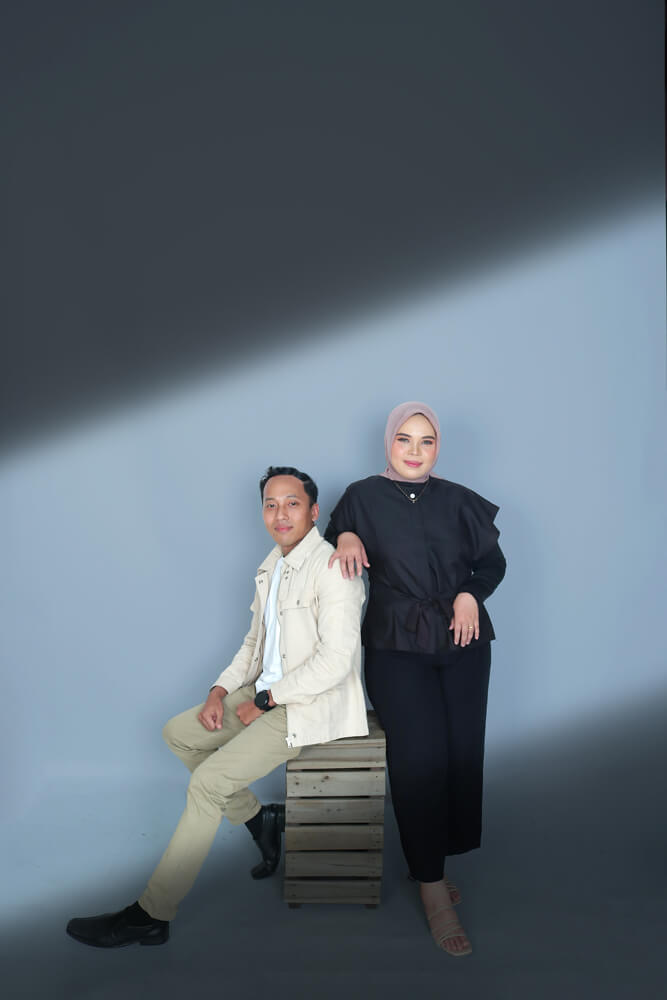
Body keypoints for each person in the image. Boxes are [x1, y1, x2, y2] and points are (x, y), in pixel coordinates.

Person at [67, 466, 367, 948]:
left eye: (292, 503)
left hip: (306, 705)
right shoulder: (272, 566)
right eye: (270, 504)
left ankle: (151, 913)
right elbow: (253, 646)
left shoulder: (332, 568)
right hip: (265, 693)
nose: (280, 513)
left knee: (207, 784)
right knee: (178, 733)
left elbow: (336, 661)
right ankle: (258, 819)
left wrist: (266, 701)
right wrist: (219, 692)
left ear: (314, 512)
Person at [324, 402, 506, 957]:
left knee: (458, 754)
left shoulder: (459, 499)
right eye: (404, 439)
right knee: (418, 758)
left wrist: (470, 593)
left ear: (437, 448)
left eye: (426, 441)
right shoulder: (360, 496)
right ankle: (432, 886)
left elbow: (491, 563)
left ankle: (431, 860)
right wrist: (345, 536)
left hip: (462, 640)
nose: (414, 451)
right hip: (396, 644)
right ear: (389, 442)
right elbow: (331, 540)